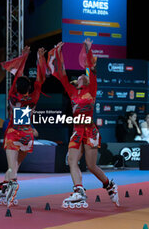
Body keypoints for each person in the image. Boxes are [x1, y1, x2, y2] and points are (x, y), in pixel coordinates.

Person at [50, 39, 119, 208]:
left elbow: (92, 68)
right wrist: (58, 53)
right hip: (76, 131)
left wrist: (88, 49)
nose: (82, 76)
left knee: (91, 165)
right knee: (72, 161)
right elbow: (62, 73)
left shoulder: (92, 89)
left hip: (90, 131)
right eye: (81, 75)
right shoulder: (72, 91)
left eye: (84, 75)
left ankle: (109, 185)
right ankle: (79, 191)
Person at [0, 46, 46, 207]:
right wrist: (40, 58)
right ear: (29, 88)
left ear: (17, 87)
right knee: (15, 167)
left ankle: (9, 192)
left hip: (13, 134)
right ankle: (3, 190)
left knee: (12, 168)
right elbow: (40, 79)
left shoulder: (12, 96)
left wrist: (24, 56)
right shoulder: (33, 98)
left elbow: (18, 73)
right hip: (27, 136)